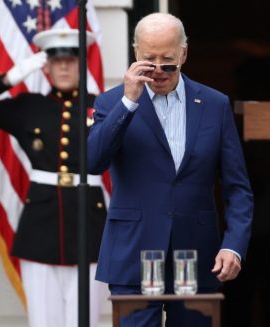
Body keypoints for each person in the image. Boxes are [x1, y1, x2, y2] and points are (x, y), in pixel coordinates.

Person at [88, 13, 253, 326]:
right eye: (150, 60)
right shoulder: (112, 103)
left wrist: (234, 245)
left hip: (192, 255)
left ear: (184, 54)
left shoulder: (215, 104)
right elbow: (93, 162)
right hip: (135, 254)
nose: (159, 71)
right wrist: (129, 103)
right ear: (136, 54)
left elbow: (237, 187)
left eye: (168, 62)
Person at [0, 28, 109, 327]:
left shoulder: (104, 107)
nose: (63, 67)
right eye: (56, 61)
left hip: (90, 225)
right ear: (45, 66)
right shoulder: (28, 107)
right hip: (41, 227)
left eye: (70, 60)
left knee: (85, 321)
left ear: (81, 64)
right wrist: (10, 78)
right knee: (44, 321)